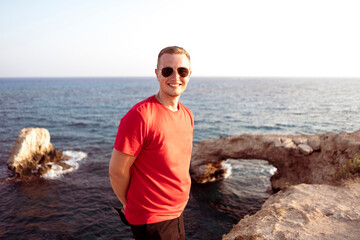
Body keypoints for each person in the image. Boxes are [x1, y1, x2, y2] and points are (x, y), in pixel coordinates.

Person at [109, 46, 193, 240]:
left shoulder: (187, 114)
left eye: (182, 71)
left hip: (177, 212)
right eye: (167, 70)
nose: (175, 77)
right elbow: (117, 171)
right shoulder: (140, 116)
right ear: (157, 74)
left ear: (189, 75)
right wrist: (129, 204)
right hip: (152, 220)